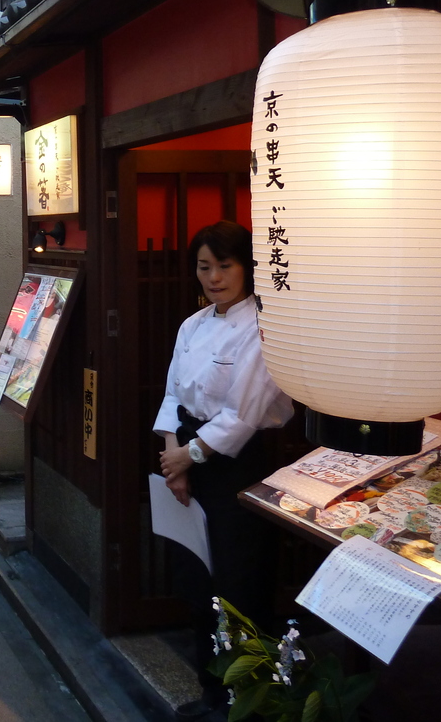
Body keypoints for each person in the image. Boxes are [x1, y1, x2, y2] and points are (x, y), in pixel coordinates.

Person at [153, 221, 294, 722]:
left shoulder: (263, 327)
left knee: (238, 584)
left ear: (247, 268)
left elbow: (244, 417)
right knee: (197, 581)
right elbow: (172, 396)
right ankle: (211, 693)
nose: (213, 276)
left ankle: (247, 704)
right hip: (189, 463)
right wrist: (174, 462)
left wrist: (187, 457)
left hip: (241, 468)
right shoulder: (191, 325)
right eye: (204, 266)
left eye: (225, 265)